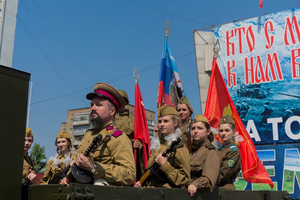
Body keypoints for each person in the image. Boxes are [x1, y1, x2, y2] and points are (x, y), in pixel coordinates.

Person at [62, 82, 135, 186]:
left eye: (98, 105)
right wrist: (69, 177)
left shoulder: (118, 137)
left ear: (112, 111)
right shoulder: (89, 134)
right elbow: (77, 161)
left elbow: (129, 174)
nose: (93, 108)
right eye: (92, 105)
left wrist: (94, 167)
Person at [135, 105, 190, 188]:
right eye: (160, 121)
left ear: (175, 123)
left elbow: (185, 179)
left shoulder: (179, 147)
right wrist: (142, 183)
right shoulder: (158, 145)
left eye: (166, 121)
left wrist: (164, 165)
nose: (162, 124)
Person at [115, 89, 145, 180]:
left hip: (130, 156)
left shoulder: (134, 120)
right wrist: (128, 141)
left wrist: (137, 144)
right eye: (118, 100)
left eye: (122, 100)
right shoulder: (110, 118)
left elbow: (142, 140)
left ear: (126, 102)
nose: (120, 103)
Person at [188, 115, 220, 197]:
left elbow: (209, 178)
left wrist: (196, 184)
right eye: (193, 128)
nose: (195, 131)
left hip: (202, 195)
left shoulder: (211, 151)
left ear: (208, 132)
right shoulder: (192, 153)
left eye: (200, 128)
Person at [217, 115, 241, 190]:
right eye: (221, 131)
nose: (223, 133)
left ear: (233, 132)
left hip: (225, 188)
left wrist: (208, 182)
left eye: (227, 130)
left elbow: (224, 173)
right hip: (214, 187)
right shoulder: (218, 150)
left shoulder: (234, 151)